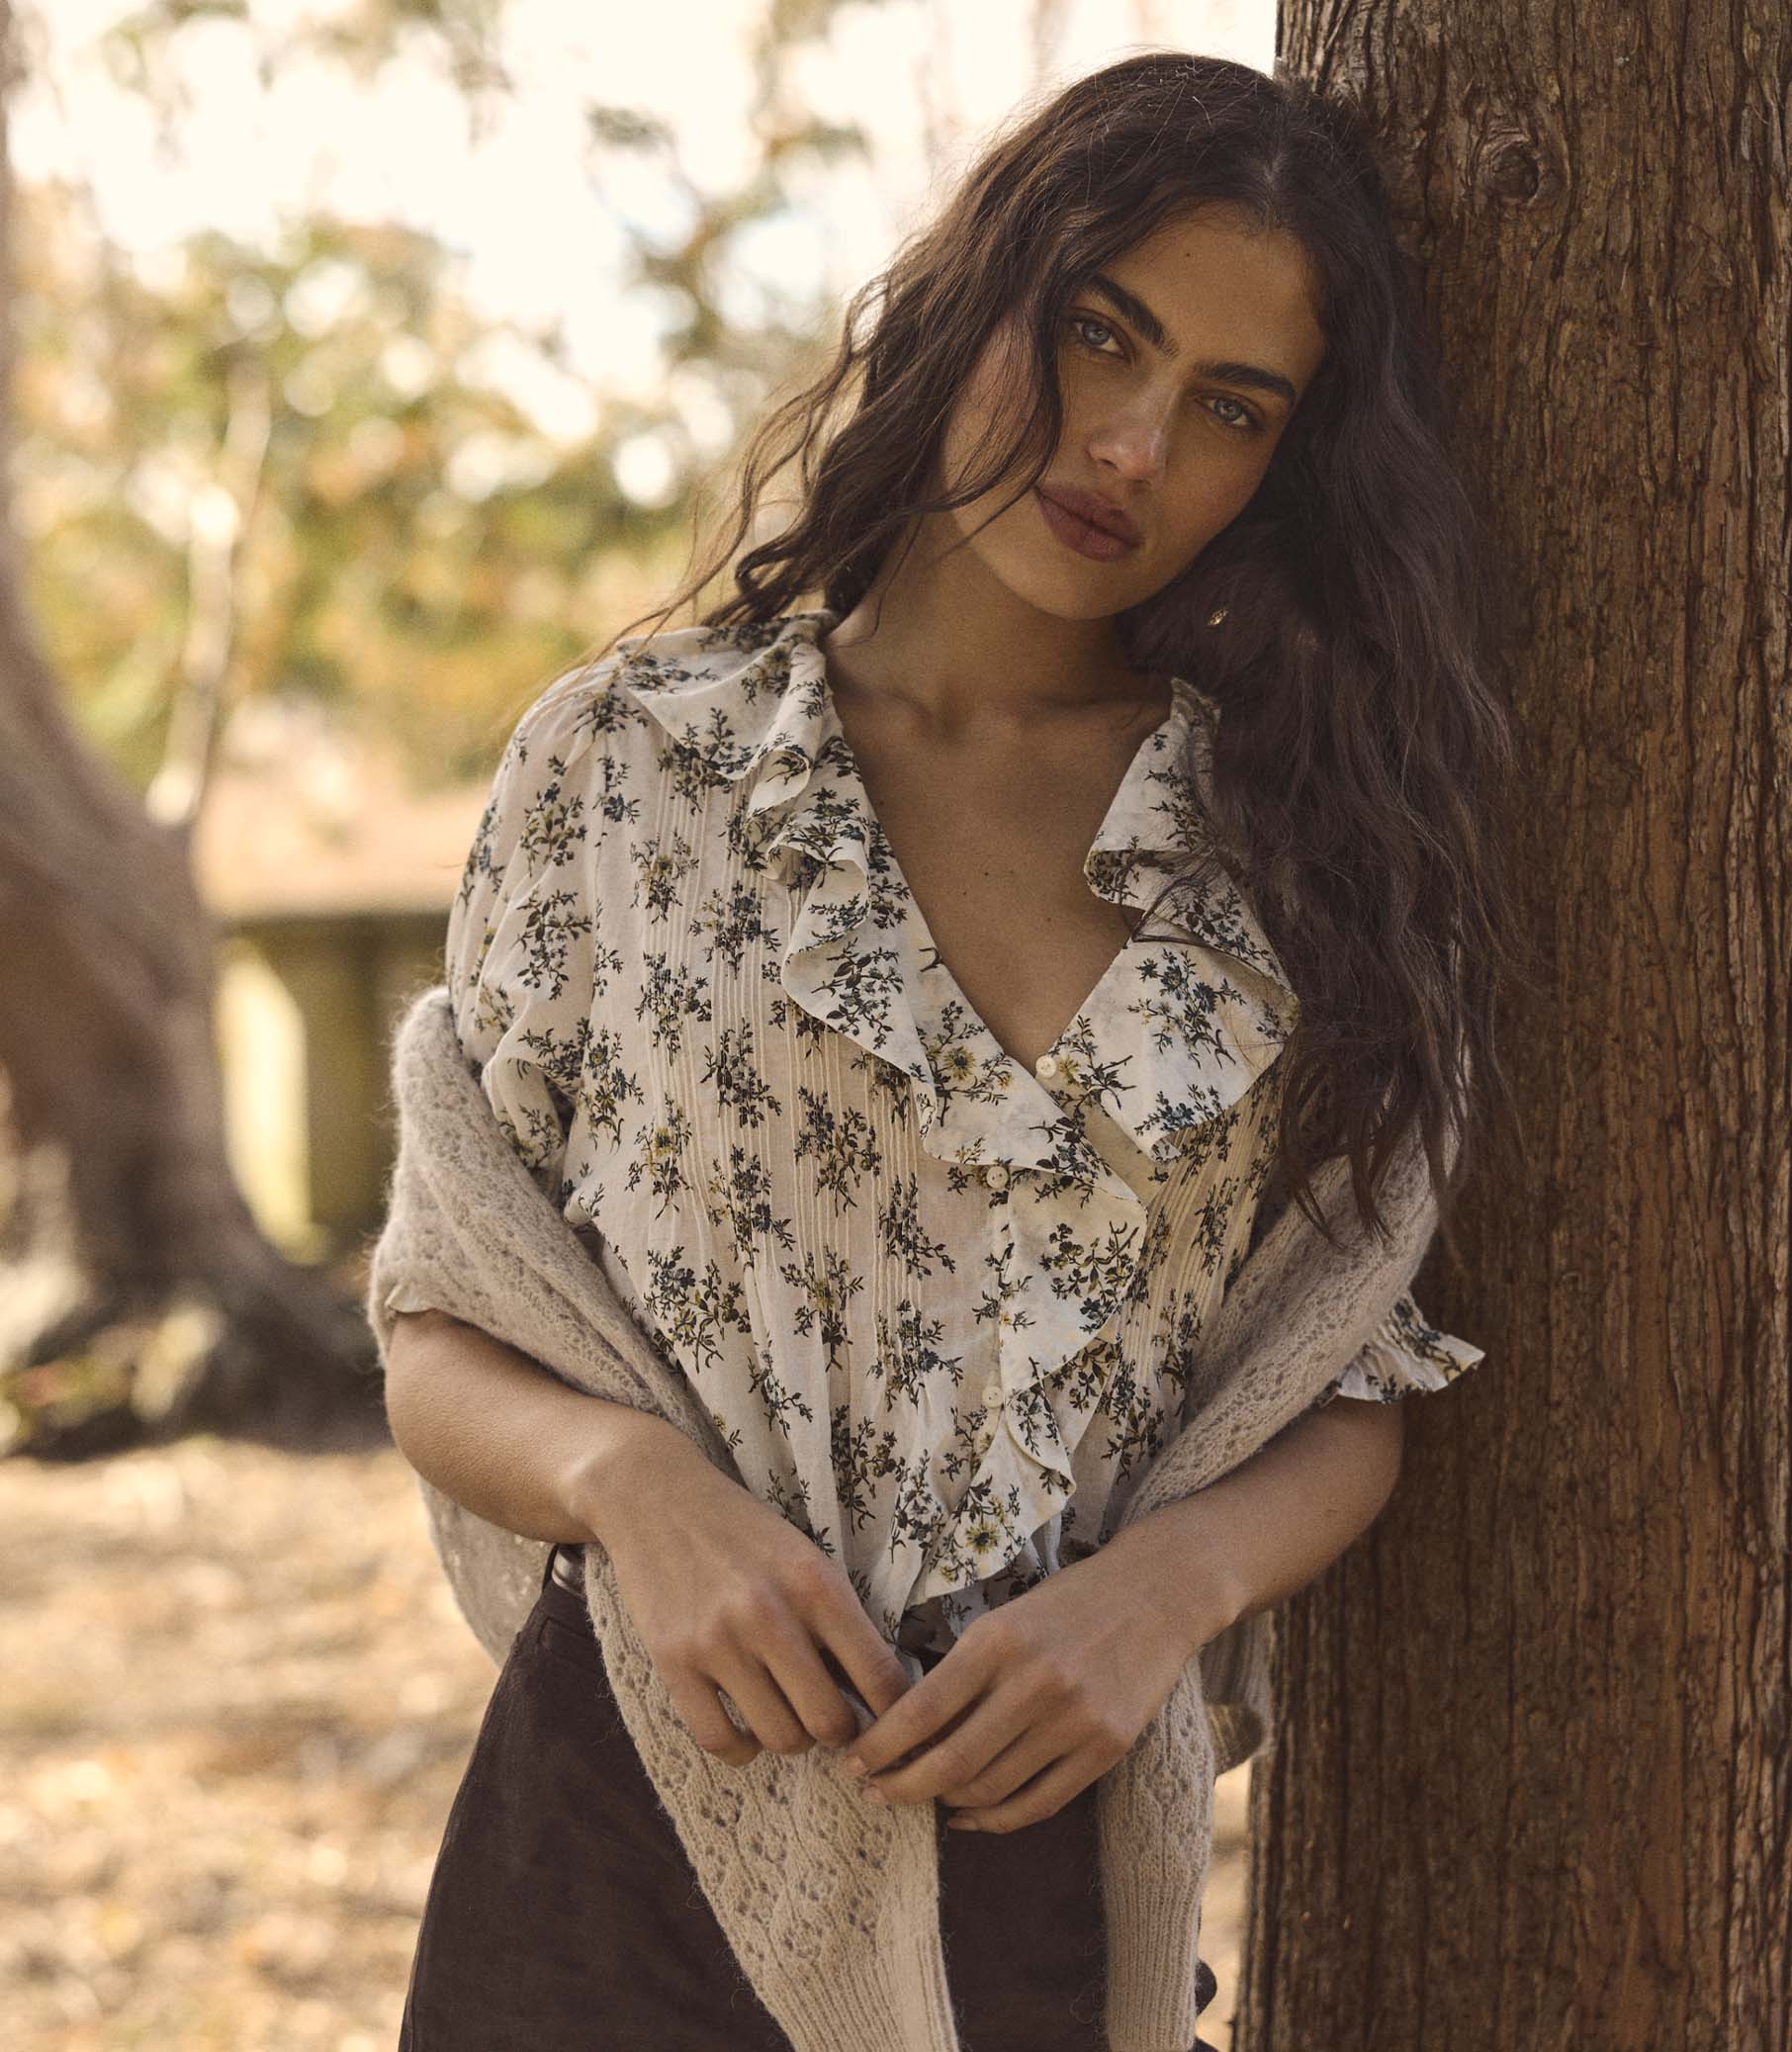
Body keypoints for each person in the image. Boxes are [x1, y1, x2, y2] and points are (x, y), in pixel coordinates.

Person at [379, 46, 1527, 2052]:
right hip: (615, 1832)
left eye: (1229, 409)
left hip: (1039, 1843)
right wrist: (633, 1483)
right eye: (1104, 335)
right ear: (986, 291)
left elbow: (1352, 1367)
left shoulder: (1293, 851)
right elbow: (437, 1316)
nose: (1133, 443)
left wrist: (1163, 1594)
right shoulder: (622, 768)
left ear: (1283, 467)